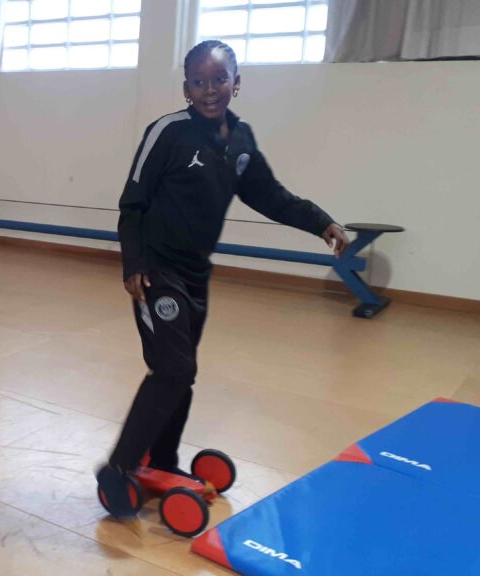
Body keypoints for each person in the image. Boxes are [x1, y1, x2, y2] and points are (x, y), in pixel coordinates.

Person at [96, 40, 350, 516]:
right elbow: (132, 203)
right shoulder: (168, 132)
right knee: (173, 370)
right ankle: (118, 469)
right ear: (186, 87)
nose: (209, 89)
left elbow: (270, 195)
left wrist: (321, 222)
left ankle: (163, 461)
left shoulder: (241, 139)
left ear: (237, 83)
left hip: (196, 275)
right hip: (157, 272)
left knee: (183, 375)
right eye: (199, 81)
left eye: (219, 79)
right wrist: (133, 264)